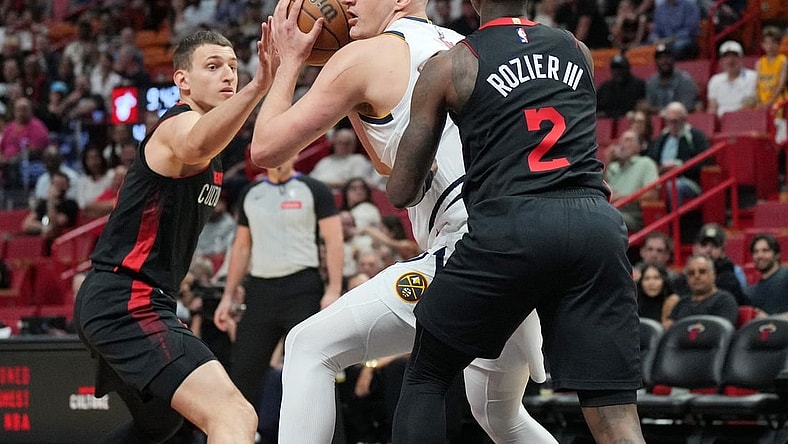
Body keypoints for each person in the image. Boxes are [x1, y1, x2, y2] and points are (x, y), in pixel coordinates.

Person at [249, 0, 552, 442]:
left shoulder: (366, 57)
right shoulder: (465, 46)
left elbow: (265, 149)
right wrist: (349, 93)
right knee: (501, 414)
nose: (347, 2)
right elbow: (390, 163)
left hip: (472, 245)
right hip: (527, 241)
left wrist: (291, 62)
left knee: (308, 347)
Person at [385, 0, 645, 442]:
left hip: (512, 225)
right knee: (616, 414)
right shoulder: (578, 50)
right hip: (593, 224)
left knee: (427, 374)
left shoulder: (452, 64)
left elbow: (402, 191)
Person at [72, 27, 277, 443]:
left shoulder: (214, 136)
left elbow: (272, 142)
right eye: (213, 66)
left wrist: (280, 74)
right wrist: (257, 86)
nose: (228, 76)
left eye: (235, 67)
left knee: (160, 425)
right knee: (234, 416)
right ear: (181, 80)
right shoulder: (178, 126)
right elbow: (193, 145)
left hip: (138, 298)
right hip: (125, 298)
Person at [212, 154, 344, 442]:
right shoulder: (251, 192)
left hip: (304, 287)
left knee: (316, 372)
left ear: (296, 152)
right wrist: (227, 296)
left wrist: (333, 288)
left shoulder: (314, 189)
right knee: (243, 373)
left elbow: (333, 240)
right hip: (260, 290)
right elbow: (242, 248)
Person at [646, 101, 710, 206]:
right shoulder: (662, 137)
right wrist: (658, 168)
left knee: (673, 187)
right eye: (668, 121)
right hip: (661, 177)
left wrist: (680, 166)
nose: (672, 125)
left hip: (687, 179)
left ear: (684, 120)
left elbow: (706, 160)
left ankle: (674, 222)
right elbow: (651, 158)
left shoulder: (695, 135)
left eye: (675, 121)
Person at [672, 223, 748, 305]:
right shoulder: (682, 278)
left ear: (722, 250)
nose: (708, 250)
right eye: (704, 245)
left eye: (714, 245)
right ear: (696, 248)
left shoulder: (730, 279)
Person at [605, 129, 659, 232]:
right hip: (612, 209)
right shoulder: (613, 167)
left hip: (633, 213)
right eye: (621, 140)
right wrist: (607, 163)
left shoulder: (646, 163)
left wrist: (623, 197)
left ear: (639, 146)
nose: (622, 144)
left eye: (628, 140)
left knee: (607, 219)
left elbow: (652, 195)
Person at [666, 254, 739, 329]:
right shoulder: (682, 303)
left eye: (702, 271)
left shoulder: (725, 301)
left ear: (714, 275)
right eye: (691, 273)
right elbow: (668, 330)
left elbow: (723, 331)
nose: (696, 276)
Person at [21, 170, 79, 249]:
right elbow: (27, 225)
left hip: (62, 243)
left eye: (60, 184)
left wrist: (51, 202)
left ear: (66, 186)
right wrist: (44, 227)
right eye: (54, 184)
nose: (56, 187)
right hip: (41, 240)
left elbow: (56, 224)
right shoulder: (43, 204)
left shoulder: (70, 204)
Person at [309, 127, 376, 190]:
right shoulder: (324, 161)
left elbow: (356, 183)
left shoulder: (358, 160)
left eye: (346, 143)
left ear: (353, 145)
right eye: (340, 142)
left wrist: (324, 184)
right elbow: (311, 180)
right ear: (334, 143)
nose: (342, 146)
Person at [707, 40, 758, 117]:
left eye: (734, 56)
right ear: (721, 61)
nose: (730, 60)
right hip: (721, 121)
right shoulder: (715, 80)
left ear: (741, 58)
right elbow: (712, 109)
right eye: (726, 57)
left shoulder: (752, 77)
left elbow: (752, 104)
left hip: (744, 118)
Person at [644, 43, 700, 114]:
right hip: (656, 123)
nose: (664, 61)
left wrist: (658, 111)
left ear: (673, 60)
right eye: (660, 58)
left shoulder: (685, 80)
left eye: (667, 57)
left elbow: (687, 108)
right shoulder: (651, 82)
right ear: (656, 62)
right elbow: (649, 107)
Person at [746, 233, 788, 317]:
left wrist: (770, 319)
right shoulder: (751, 291)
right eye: (755, 252)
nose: (759, 255)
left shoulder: (786, 275)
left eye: (765, 250)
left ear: (777, 254)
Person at [596, 54, 646, 119]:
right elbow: (596, 110)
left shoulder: (639, 85)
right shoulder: (604, 88)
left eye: (620, 68)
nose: (617, 72)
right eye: (614, 68)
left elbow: (643, 108)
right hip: (607, 126)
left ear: (627, 68)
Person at [637, 263, 680, 329]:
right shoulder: (634, 302)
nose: (651, 283)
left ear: (664, 280)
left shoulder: (673, 301)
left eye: (656, 278)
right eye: (646, 278)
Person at [754, 26, 788, 111]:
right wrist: (758, 101)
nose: (770, 46)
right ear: (762, 45)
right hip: (762, 102)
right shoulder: (760, 62)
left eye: (773, 43)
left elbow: (781, 84)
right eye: (767, 43)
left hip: (779, 102)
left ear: (779, 44)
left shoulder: (783, 60)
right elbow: (756, 85)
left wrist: (770, 102)